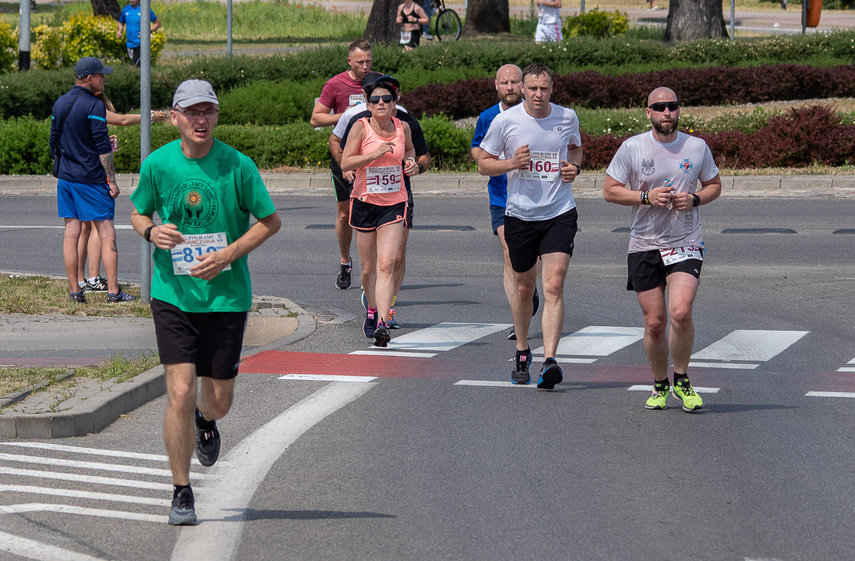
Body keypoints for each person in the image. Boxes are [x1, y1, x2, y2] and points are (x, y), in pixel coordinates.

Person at [130, 79, 281, 525]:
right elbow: (139, 211)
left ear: (216, 115)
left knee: (218, 399)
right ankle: (181, 492)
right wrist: (151, 232)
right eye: (192, 112)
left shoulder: (237, 165)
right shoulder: (158, 165)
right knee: (178, 391)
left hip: (226, 298)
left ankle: (205, 419)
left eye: (208, 111)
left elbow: (270, 222)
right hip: (173, 296)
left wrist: (229, 254)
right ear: (173, 117)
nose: (201, 120)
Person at [603, 87, 721, 412]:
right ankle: (659, 384)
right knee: (654, 323)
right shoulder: (633, 147)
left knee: (680, 313)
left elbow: (714, 185)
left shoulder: (696, 147)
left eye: (672, 106)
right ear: (648, 112)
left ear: (679, 111)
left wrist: (695, 198)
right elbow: (610, 191)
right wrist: (646, 197)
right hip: (644, 244)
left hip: (685, 242)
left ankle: (682, 379)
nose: (666, 112)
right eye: (659, 107)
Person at [477, 62, 582, 390]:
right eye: (533, 88)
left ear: (553, 88)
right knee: (524, 288)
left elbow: (576, 147)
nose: (539, 94)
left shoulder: (567, 117)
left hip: (560, 212)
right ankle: (523, 350)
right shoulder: (505, 120)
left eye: (545, 88)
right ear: (523, 88)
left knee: (553, 284)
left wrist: (573, 167)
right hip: (520, 215)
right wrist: (511, 163)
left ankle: (550, 360)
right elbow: (483, 163)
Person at [334, 71, 431, 329]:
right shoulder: (359, 124)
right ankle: (372, 307)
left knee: (390, 262)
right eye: (376, 99)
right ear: (368, 104)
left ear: (395, 101)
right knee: (369, 269)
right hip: (365, 201)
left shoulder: (406, 126)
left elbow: (416, 152)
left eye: (387, 99)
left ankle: (383, 322)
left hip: (395, 200)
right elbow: (345, 158)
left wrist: (413, 164)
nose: (381, 103)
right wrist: (371, 155)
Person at [50, 57, 135, 304]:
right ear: (89, 78)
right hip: (91, 179)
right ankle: (113, 292)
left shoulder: (60, 103)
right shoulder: (94, 106)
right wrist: (112, 181)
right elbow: (102, 149)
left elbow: (54, 140)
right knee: (107, 232)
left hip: (66, 179)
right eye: (101, 75)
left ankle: (75, 291)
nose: (104, 78)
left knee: (71, 233)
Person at [470, 64, 540, 342]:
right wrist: (489, 160)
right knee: (510, 252)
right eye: (505, 83)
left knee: (529, 258)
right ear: (496, 85)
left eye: (515, 82)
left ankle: (529, 287)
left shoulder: (535, 112)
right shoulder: (489, 117)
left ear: (522, 85)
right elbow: (477, 147)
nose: (510, 87)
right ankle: (517, 316)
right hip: (502, 196)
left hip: (535, 197)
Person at [77, 94, 169, 294]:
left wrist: (103, 143)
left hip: (76, 173)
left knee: (84, 227)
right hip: (92, 173)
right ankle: (93, 278)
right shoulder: (91, 106)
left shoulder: (72, 105)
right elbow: (123, 120)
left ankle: (81, 281)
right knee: (97, 225)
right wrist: (150, 116)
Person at [310, 39, 373, 291]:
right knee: (345, 213)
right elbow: (316, 119)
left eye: (369, 61)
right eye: (360, 62)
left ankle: (372, 267)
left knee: (371, 215)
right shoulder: (335, 84)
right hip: (343, 156)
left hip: (372, 159)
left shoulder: (378, 81)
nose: (365, 66)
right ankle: (345, 262)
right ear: (349, 61)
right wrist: (349, 113)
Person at [117, 0, 162, 67]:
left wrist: (147, 32)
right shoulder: (126, 9)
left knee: (132, 66)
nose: (131, 0)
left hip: (141, 43)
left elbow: (158, 23)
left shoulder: (145, 9)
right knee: (139, 67)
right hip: (130, 43)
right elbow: (121, 22)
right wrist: (119, 31)